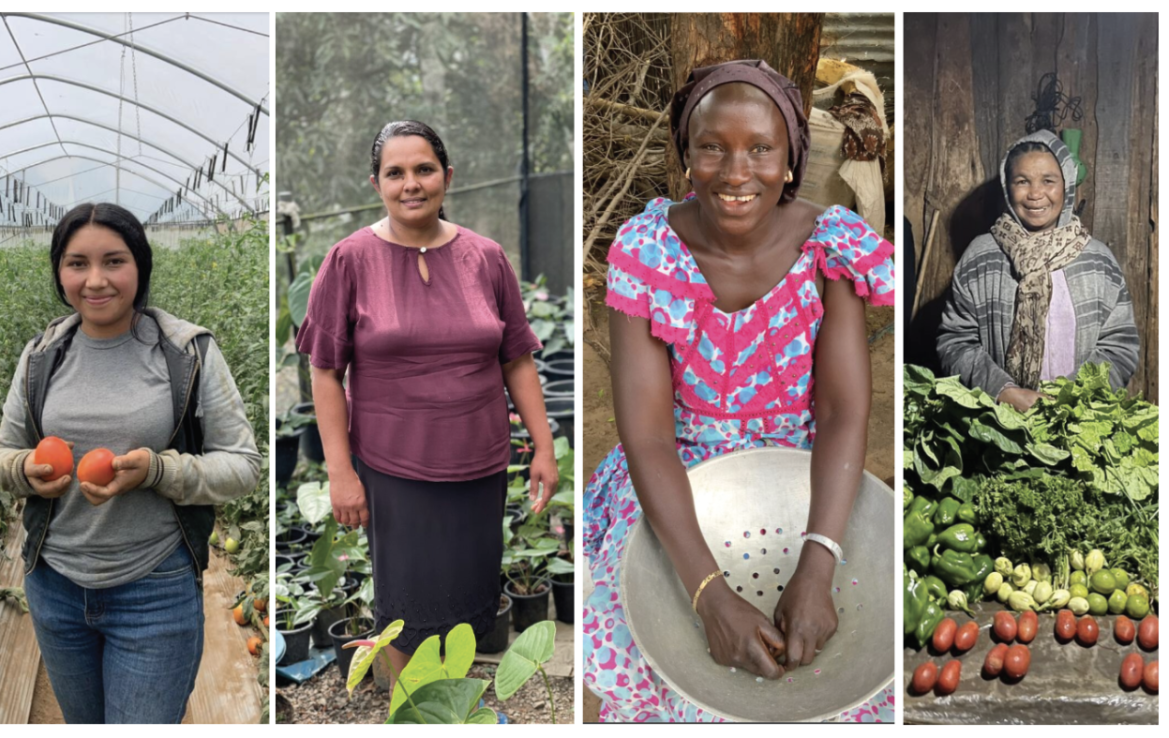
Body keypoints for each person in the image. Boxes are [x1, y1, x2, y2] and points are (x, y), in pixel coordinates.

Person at [583, 60, 895, 722]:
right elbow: (645, 435)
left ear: (790, 162)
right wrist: (707, 593)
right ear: (686, 156)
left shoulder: (826, 248)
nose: (735, 172)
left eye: (760, 149)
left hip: (805, 470)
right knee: (671, 665)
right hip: (676, 471)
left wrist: (818, 565)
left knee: (859, 667)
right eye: (712, 148)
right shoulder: (646, 253)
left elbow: (842, 411)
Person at [295, 120, 557, 688]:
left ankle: (452, 706)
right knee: (405, 606)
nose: (411, 183)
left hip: (479, 463)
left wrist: (543, 445)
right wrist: (341, 473)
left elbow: (516, 357)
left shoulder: (484, 257)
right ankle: (410, 710)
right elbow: (324, 373)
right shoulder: (348, 260)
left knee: (466, 598)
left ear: (447, 177)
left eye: (424, 169)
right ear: (376, 184)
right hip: (397, 470)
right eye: (396, 173)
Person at [0, 203, 262, 724]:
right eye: (77, 264)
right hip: (55, 587)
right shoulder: (42, 354)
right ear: (59, 271)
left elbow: (243, 465)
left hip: (154, 591)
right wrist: (26, 471)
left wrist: (159, 471)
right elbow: (0, 453)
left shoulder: (187, 352)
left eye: (114, 261)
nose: (95, 280)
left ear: (140, 265)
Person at [936, 129, 1139, 410]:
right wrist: (1004, 392)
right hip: (998, 417)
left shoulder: (1097, 261)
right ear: (1008, 188)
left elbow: (1120, 345)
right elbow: (956, 340)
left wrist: (1074, 399)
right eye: (1022, 181)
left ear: (1065, 185)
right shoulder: (981, 258)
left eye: (1048, 181)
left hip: (1083, 415)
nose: (1035, 194)